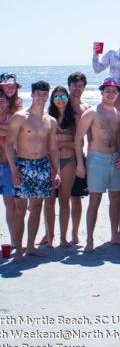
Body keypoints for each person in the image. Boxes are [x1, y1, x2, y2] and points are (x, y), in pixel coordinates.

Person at [4, 81, 61, 263]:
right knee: (21, 209)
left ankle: (30, 247)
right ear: (32, 95)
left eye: (45, 94)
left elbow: (53, 148)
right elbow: (8, 144)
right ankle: (19, 249)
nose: (42, 97)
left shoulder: (50, 120)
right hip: (23, 165)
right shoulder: (21, 116)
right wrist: (14, 169)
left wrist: (56, 171)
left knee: (37, 207)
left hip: (42, 166)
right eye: (38, 94)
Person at [75, 78, 120, 252]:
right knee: (95, 199)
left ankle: (114, 235)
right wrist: (80, 164)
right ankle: (89, 239)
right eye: (107, 90)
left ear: (118, 94)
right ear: (102, 92)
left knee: (116, 198)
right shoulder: (92, 112)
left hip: (115, 159)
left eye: (114, 91)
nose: (111, 93)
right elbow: (78, 138)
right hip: (96, 159)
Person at [46, 86, 78, 247]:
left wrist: (62, 142)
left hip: (68, 161)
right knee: (49, 201)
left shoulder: (74, 118)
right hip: (50, 163)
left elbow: (79, 143)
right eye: (57, 97)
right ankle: (50, 236)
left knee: (65, 200)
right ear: (52, 100)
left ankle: (63, 238)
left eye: (63, 96)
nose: (60, 99)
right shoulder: (47, 117)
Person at [67, 72, 90, 244]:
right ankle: (49, 233)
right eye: (74, 85)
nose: (77, 88)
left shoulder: (86, 109)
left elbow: (91, 137)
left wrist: (86, 162)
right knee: (52, 199)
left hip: (78, 157)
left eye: (80, 85)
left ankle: (74, 233)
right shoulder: (60, 104)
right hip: (60, 155)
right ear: (69, 86)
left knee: (76, 198)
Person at [0, 89, 15, 252]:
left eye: (2, 99)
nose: (0, 103)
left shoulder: (13, 120)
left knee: (11, 204)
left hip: (9, 166)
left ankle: (14, 240)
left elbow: (14, 137)